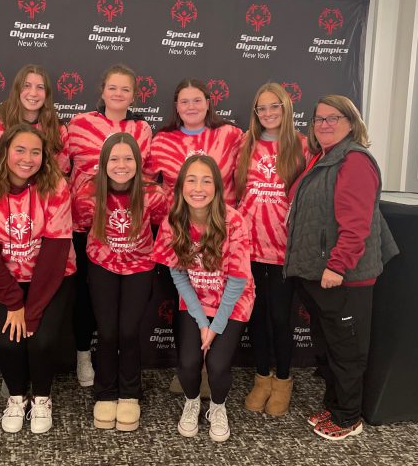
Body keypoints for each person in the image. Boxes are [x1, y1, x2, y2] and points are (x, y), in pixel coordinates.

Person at [284, 95, 398, 441]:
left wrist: (338, 266)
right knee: (331, 346)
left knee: (347, 350)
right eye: (319, 119)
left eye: (333, 118)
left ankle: (348, 416)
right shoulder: (324, 158)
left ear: (352, 122)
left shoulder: (355, 161)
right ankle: (335, 406)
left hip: (342, 277)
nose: (325, 124)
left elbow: (356, 223)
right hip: (319, 275)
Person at [0, 123, 76, 434]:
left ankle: (41, 398)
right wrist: (15, 303)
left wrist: (32, 311)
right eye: (20, 150)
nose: (28, 158)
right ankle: (16, 397)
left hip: (51, 276)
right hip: (4, 280)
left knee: (41, 340)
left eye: (36, 152)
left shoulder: (55, 186)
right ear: (4, 152)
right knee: (9, 342)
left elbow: (56, 253)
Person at [152, 155, 255, 442]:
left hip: (233, 302)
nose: (198, 188)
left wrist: (216, 326)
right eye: (191, 180)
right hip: (196, 300)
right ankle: (192, 401)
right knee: (187, 363)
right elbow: (178, 276)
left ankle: (218, 408)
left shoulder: (234, 221)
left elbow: (237, 281)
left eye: (206, 181)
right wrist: (200, 322)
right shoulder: (173, 220)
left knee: (218, 364)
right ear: (181, 186)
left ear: (217, 188)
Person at [72, 133, 166, 431]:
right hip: (102, 266)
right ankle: (105, 392)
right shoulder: (88, 193)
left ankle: (129, 393)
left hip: (139, 266)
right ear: (103, 163)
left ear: (138, 163)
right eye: (114, 159)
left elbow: (162, 224)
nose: (121, 165)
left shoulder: (153, 194)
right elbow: (80, 226)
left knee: (128, 331)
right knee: (108, 331)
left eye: (128, 159)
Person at [66, 63, 153, 387]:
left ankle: (122, 366)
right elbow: (61, 167)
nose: (118, 94)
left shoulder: (142, 130)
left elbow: (149, 177)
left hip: (127, 224)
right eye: (112, 87)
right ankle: (84, 354)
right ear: (102, 91)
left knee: (124, 305)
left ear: (133, 95)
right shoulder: (78, 124)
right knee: (88, 298)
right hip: (84, 223)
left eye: (125, 89)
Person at [235, 82, 308, 416]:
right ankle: (261, 378)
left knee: (281, 318)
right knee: (256, 317)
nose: (267, 114)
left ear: (285, 108)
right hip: (248, 247)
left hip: (283, 249)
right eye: (260, 108)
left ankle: (283, 380)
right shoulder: (245, 144)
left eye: (273, 106)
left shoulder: (302, 146)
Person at [144, 78, 243, 203]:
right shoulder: (162, 141)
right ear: (177, 107)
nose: (191, 107)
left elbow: (248, 178)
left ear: (207, 104)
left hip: (221, 219)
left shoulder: (231, 135)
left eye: (197, 101)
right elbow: (145, 182)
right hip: (177, 220)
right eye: (184, 102)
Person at [0, 64, 70, 172]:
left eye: (40, 87)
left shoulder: (58, 130)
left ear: (47, 94)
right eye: (27, 86)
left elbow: (61, 175)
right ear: (17, 90)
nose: (33, 93)